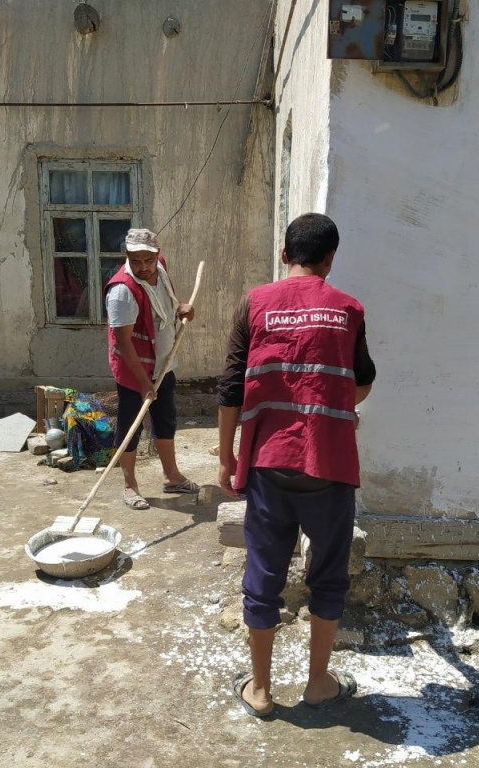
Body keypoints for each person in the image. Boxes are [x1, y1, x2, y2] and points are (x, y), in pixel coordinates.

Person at [217, 213, 376, 718]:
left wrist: (227, 456)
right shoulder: (348, 309)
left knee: (263, 574)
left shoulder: (255, 303)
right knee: (328, 576)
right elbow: (364, 380)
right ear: (329, 260)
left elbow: (231, 388)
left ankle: (260, 691)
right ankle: (317, 684)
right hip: (328, 463)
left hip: (268, 462)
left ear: (285, 255)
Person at [105, 228, 200, 509]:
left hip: (164, 362)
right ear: (128, 257)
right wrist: (143, 382)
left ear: (156, 255)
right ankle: (129, 486)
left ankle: (172, 477)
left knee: (165, 419)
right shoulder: (122, 292)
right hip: (136, 369)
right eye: (136, 261)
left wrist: (182, 309)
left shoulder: (160, 268)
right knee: (130, 426)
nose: (143, 267)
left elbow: (165, 304)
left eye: (148, 260)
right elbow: (123, 342)